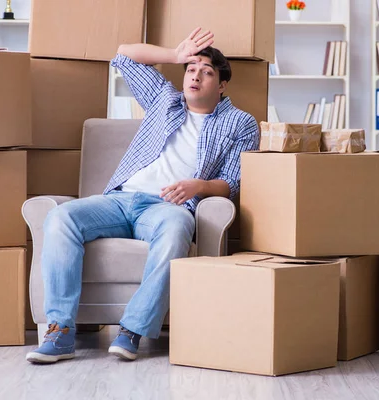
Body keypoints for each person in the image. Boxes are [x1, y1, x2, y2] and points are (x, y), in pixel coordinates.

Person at [26, 28, 260, 364]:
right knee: (61, 217)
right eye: (191, 70)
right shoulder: (164, 99)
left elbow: (233, 183)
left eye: (207, 73)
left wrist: (199, 186)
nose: (196, 76)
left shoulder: (241, 123)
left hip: (169, 207)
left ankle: (132, 330)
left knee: (177, 230)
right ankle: (60, 331)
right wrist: (175, 55)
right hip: (121, 199)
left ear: (222, 85)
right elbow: (123, 54)